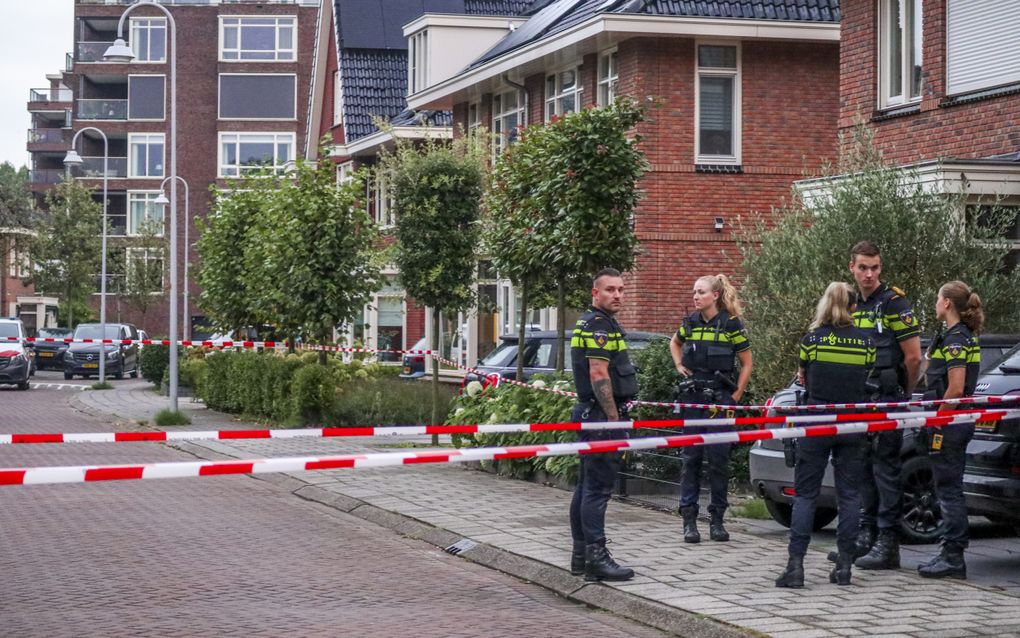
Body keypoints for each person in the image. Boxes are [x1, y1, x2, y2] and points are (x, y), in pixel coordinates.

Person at [776, 282, 875, 588]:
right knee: (849, 496)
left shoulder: (813, 339)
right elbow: (867, 376)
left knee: (806, 494)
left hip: (816, 420)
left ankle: (795, 567)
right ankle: (844, 567)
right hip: (852, 424)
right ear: (854, 308)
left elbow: (802, 376)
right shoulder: (866, 341)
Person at [846, 241, 922, 571]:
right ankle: (866, 535)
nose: (869, 274)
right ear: (852, 267)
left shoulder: (893, 302)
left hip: (888, 397)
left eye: (875, 267)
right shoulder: (850, 304)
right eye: (863, 267)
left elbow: (914, 357)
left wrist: (901, 394)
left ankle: (887, 543)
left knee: (886, 470)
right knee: (861, 467)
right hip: (859, 397)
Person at [669, 274, 752, 543]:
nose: (695, 296)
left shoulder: (730, 324)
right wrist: (679, 366)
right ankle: (689, 521)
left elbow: (747, 362)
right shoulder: (690, 323)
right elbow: (674, 342)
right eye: (694, 291)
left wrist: (736, 395)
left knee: (718, 461)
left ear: (715, 295)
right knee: (690, 459)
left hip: (720, 400)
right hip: (694, 398)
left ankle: (717, 520)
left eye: (701, 292)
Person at [568, 267, 638, 582]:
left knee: (586, 487)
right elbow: (599, 373)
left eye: (621, 289)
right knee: (596, 489)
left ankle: (581, 557)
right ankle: (597, 557)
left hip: (589, 413)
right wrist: (613, 419)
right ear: (595, 292)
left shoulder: (591, 321)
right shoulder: (599, 325)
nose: (617, 295)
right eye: (610, 289)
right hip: (600, 415)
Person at [917, 281, 982, 579]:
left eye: (936, 299)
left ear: (946, 304)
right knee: (946, 486)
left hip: (951, 423)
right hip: (953, 422)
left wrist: (937, 421)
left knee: (948, 488)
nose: (934, 304)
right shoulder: (951, 336)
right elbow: (928, 372)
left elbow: (955, 389)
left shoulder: (957, 340)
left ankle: (954, 555)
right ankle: (949, 550)